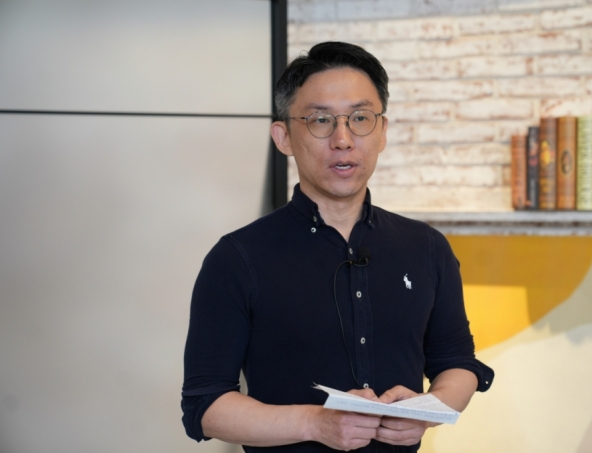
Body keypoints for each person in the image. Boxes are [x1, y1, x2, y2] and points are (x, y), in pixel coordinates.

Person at [181, 41, 494, 452]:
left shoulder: (427, 247)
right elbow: (205, 404)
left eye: (360, 118)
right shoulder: (237, 258)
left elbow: (457, 363)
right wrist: (316, 423)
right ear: (283, 137)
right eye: (320, 120)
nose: (343, 139)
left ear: (382, 132)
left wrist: (428, 409)